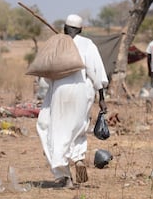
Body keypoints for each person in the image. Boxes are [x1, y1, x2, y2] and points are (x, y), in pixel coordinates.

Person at [36, 14, 108, 188]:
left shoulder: (57, 44)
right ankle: (78, 157)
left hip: (61, 91)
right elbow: (96, 72)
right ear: (81, 29)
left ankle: (63, 174)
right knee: (78, 128)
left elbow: (46, 74)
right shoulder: (88, 44)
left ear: (64, 28)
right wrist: (102, 98)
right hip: (83, 91)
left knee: (50, 127)